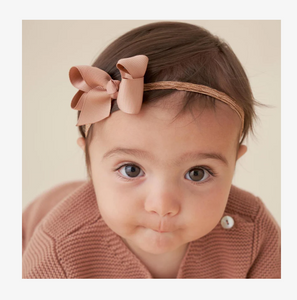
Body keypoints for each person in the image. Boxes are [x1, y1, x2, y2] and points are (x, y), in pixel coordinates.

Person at [22, 21, 281, 278]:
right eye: (131, 169)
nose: (162, 205)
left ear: (234, 163)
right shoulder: (57, 251)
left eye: (197, 173)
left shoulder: (255, 234)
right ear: (89, 158)